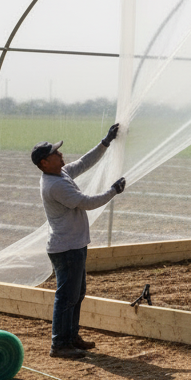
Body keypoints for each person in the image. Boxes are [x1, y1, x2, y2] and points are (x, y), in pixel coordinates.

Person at [33, 125, 127, 358]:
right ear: (45, 163)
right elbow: (86, 202)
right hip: (66, 248)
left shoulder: (60, 173)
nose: (60, 155)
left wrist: (105, 142)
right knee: (66, 296)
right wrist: (113, 191)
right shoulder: (55, 185)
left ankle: (71, 336)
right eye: (55, 153)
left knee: (77, 293)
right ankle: (60, 344)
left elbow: (84, 163)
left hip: (73, 245)